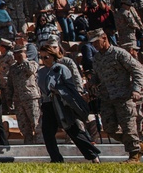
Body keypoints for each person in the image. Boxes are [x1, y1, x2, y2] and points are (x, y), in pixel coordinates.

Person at [86, 28, 142, 162]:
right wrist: (91, 82)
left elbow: (137, 71)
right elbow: (97, 76)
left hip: (124, 96)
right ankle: (138, 146)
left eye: (96, 42)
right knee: (109, 128)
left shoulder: (119, 53)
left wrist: (136, 89)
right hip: (106, 98)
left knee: (128, 127)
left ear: (104, 38)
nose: (94, 45)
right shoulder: (97, 58)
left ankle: (134, 155)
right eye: (92, 43)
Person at [37, 46, 100, 163]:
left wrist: (58, 90)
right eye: (41, 57)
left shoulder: (61, 68)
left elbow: (70, 87)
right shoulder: (41, 72)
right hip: (47, 104)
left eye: (46, 57)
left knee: (74, 131)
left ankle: (93, 155)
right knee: (47, 133)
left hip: (62, 104)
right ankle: (56, 159)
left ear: (53, 56)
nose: (44, 60)